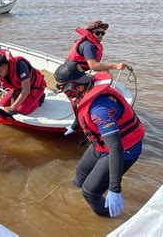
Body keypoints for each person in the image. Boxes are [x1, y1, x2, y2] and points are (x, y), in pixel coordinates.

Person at [54, 61, 145, 218]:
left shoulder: (99, 110)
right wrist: (74, 127)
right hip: (102, 144)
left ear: (77, 86)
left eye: (62, 87)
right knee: (80, 175)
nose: (61, 91)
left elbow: (116, 148)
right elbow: (80, 107)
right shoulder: (82, 90)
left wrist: (115, 189)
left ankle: (112, 219)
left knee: (89, 192)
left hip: (125, 148)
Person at [0, 50, 46, 115]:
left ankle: (40, 99)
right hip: (18, 87)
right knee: (2, 105)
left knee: (20, 111)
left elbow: (26, 90)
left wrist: (13, 107)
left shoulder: (20, 66)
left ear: (5, 66)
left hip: (34, 87)